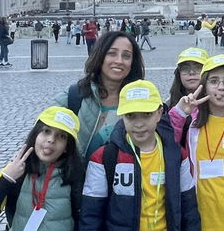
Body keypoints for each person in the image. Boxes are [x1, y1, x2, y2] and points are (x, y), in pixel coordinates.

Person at [79, 80, 201, 231]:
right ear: (122, 115)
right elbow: (91, 214)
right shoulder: (103, 158)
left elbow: (189, 207)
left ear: (159, 113)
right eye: (131, 116)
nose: (139, 124)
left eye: (146, 115)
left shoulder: (177, 155)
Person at [170, 55, 224, 231]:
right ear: (204, 87)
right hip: (199, 220)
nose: (221, 87)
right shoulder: (190, 123)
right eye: (214, 81)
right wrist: (180, 114)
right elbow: (165, 144)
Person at [0, 106, 84, 231]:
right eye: (46, 131)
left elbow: (84, 217)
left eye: (61, 136)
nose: (51, 140)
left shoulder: (75, 173)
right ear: (35, 134)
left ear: (67, 146)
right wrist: (6, 179)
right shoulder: (15, 172)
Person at [53, 31, 145, 160]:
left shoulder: (144, 102)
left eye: (126, 56)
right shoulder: (73, 97)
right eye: (112, 53)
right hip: (79, 178)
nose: (119, 61)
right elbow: (41, 138)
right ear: (100, 56)